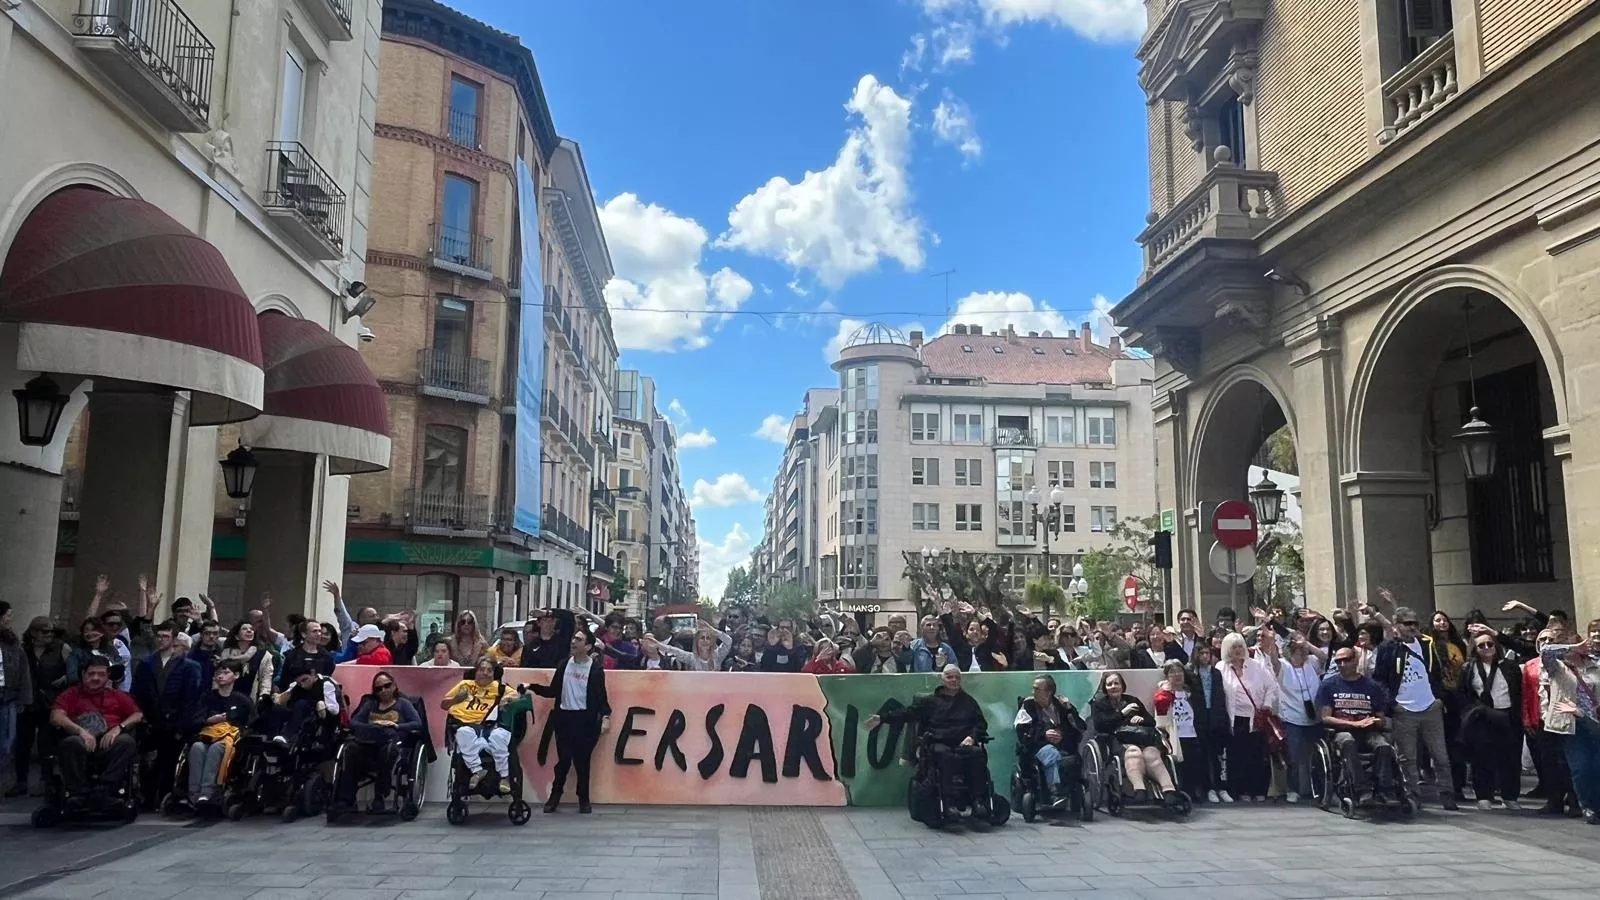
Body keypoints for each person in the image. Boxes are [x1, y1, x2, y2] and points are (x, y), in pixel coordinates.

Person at [865, 665, 991, 816]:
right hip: (939, 742)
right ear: (942, 679)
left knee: (977, 753)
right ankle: (949, 803)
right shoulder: (931, 701)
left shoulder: (969, 702)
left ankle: (978, 801)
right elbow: (909, 713)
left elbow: (980, 724)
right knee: (943, 755)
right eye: (949, 677)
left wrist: (972, 737)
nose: (954, 680)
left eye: (957, 677)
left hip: (963, 743)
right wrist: (882, 718)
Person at [1374, 606, 1458, 810]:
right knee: (1408, 757)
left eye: (1415, 623)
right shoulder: (1388, 648)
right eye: (1407, 623)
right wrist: (1393, 704)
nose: (1412, 627)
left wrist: (1439, 698)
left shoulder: (1427, 644)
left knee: (1441, 755)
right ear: (1397, 626)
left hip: (1431, 707)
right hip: (1404, 709)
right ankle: (1412, 795)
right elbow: (1380, 679)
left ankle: (1447, 793)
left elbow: (1437, 673)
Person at [529, 629, 611, 813]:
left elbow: (601, 698)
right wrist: (532, 687)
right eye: (573, 638)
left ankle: (584, 799)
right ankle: (554, 797)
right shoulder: (564, 664)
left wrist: (606, 717)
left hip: (585, 720)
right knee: (564, 760)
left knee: (582, 762)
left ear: (588, 646)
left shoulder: (595, 669)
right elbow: (553, 691)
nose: (573, 641)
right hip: (564, 717)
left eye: (579, 639)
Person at [50, 657, 142, 806]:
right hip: (81, 741)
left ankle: (104, 790)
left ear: (107, 676)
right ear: (83, 674)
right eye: (91, 674)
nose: (96, 678)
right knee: (71, 743)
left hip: (109, 742)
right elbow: (56, 716)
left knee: (126, 742)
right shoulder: (71, 694)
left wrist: (119, 729)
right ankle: (78, 793)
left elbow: (137, 715)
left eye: (101, 674)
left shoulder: (116, 695)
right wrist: (80, 732)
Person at [130, 620, 202, 807]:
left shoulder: (188, 666)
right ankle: (146, 796)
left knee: (169, 761)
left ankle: (164, 796)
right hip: (150, 720)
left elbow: (190, 698)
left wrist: (183, 724)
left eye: (165, 637)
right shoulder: (146, 664)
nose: (161, 640)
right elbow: (137, 692)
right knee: (148, 761)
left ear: (174, 639)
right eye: (159, 636)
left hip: (175, 721)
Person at [1316, 646, 1396, 805]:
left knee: (1384, 746)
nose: (1341, 664)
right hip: (1341, 731)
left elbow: (1380, 717)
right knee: (1348, 742)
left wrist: (1376, 721)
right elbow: (1325, 718)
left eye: (1346, 660)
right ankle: (1362, 789)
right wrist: (1354, 724)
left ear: (1356, 660)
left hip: (1369, 730)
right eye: (1338, 661)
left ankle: (1385, 789)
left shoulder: (1372, 686)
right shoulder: (1329, 685)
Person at [334, 670, 422, 815]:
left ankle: (380, 796)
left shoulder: (403, 704)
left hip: (392, 743)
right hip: (368, 742)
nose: (383, 690)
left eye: (387, 686)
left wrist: (396, 726)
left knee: (386, 752)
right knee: (350, 749)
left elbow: (417, 724)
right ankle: (346, 799)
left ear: (394, 686)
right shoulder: (370, 704)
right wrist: (373, 726)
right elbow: (354, 722)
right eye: (379, 688)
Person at [1091, 671, 1180, 805]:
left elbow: (1151, 722)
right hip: (1117, 740)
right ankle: (1139, 790)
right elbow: (1100, 725)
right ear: (1105, 688)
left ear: (1122, 686)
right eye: (1109, 684)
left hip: (1142, 739)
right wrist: (1122, 713)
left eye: (1116, 683)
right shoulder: (1099, 704)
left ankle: (1169, 790)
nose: (1113, 686)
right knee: (1134, 753)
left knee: (1151, 754)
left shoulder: (1132, 700)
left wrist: (1141, 719)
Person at [1540, 633, 1600, 823]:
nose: (1581, 649)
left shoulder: (1594, 665)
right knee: (1581, 767)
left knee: (1596, 766)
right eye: (1575, 646)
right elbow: (1545, 652)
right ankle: (1589, 807)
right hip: (1572, 723)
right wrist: (1570, 648)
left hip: (1594, 721)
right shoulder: (1557, 668)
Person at [1460, 629, 1523, 809]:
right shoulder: (1469, 667)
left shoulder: (1509, 666)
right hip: (1483, 716)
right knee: (1482, 757)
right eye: (1481, 645)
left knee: (1510, 758)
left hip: (1508, 715)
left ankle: (1510, 796)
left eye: (1490, 644)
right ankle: (1484, 796)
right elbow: (1464, 693)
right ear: (1475, 649)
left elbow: (1518, 692)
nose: (1486, 648)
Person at [1216, 632, 1277, 802]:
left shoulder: (1257, 666)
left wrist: (1267, 704)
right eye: (1233, 647)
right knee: (1237, 756)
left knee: (1257, 755)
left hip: (1256, 718)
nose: (1237, 650)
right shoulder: (1221, 668)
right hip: (1235, 719)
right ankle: (1240, 790)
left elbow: (1271, 687)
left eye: (1240, 646)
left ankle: (1258, 790)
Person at [186, 659, 253, 808]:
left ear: (236, 675)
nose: (220, 676)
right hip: (207, 734)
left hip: (230, 738)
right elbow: (196, 719)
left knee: (218, 748)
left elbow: (253, 722)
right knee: (197, 747)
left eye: (225, 672)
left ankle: (208, 792)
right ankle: (193, 792)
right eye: (218, 673)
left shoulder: (242, 700)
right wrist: (210, 720)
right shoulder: (207, 697)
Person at [1014, 674, 1086, 809]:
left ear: (1049, 692)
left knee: (1073, 759)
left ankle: (1072, 791)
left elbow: (1080, 728)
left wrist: (1063, 731)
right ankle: (1056, 792)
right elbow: (1021, 731)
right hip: (1038, 746)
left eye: (1037, 689)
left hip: (1063, 745)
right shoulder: (1028, 705)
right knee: (1051, 753)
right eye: (1033, 689)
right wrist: (1043, 734)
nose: (1033, 692)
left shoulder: (1062, 705)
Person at [443, 658, 513, 792]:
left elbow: (520, 696)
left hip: (492, 726)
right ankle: (478, 771)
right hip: (468, 725)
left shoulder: (500, 687)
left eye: (489, 670)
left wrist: (507, 698)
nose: (485, 673)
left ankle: (505, 776)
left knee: (499, 736)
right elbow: (444, 704)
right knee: (463, 733)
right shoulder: (465, 685)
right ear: (476, 672)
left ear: (494, 674)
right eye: (482, 669)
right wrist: (457, 699)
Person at [1153, 660, 1208, 802]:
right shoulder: (1163, 694)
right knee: (1177, 766)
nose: (1177, 675)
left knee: (1193, 764)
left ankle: (1192, 792)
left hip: (1191, 732)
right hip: (1174, 735)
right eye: (1172, 672)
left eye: (1179, 671)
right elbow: (1161, 715)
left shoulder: (1189, 692)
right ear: (1166, 676)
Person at [0, 602, 29, 797]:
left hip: (7, 697)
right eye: (8, 615)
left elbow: (23, 670)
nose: (10, 619)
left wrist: (24, 698)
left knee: (7, 742)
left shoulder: (12, 641)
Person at [271, 663, 340, 745]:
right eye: (299, 683)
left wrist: (322, 706)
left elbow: (335, 711)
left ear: (313, 673)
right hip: (298, 714)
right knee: (277, 709)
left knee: (301, 704)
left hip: (318, 719)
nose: (303, 686)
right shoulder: (296, 686)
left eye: (304, 680)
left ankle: (286, 737)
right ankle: (271, 737)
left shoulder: (325, 684)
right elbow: (285, 697)